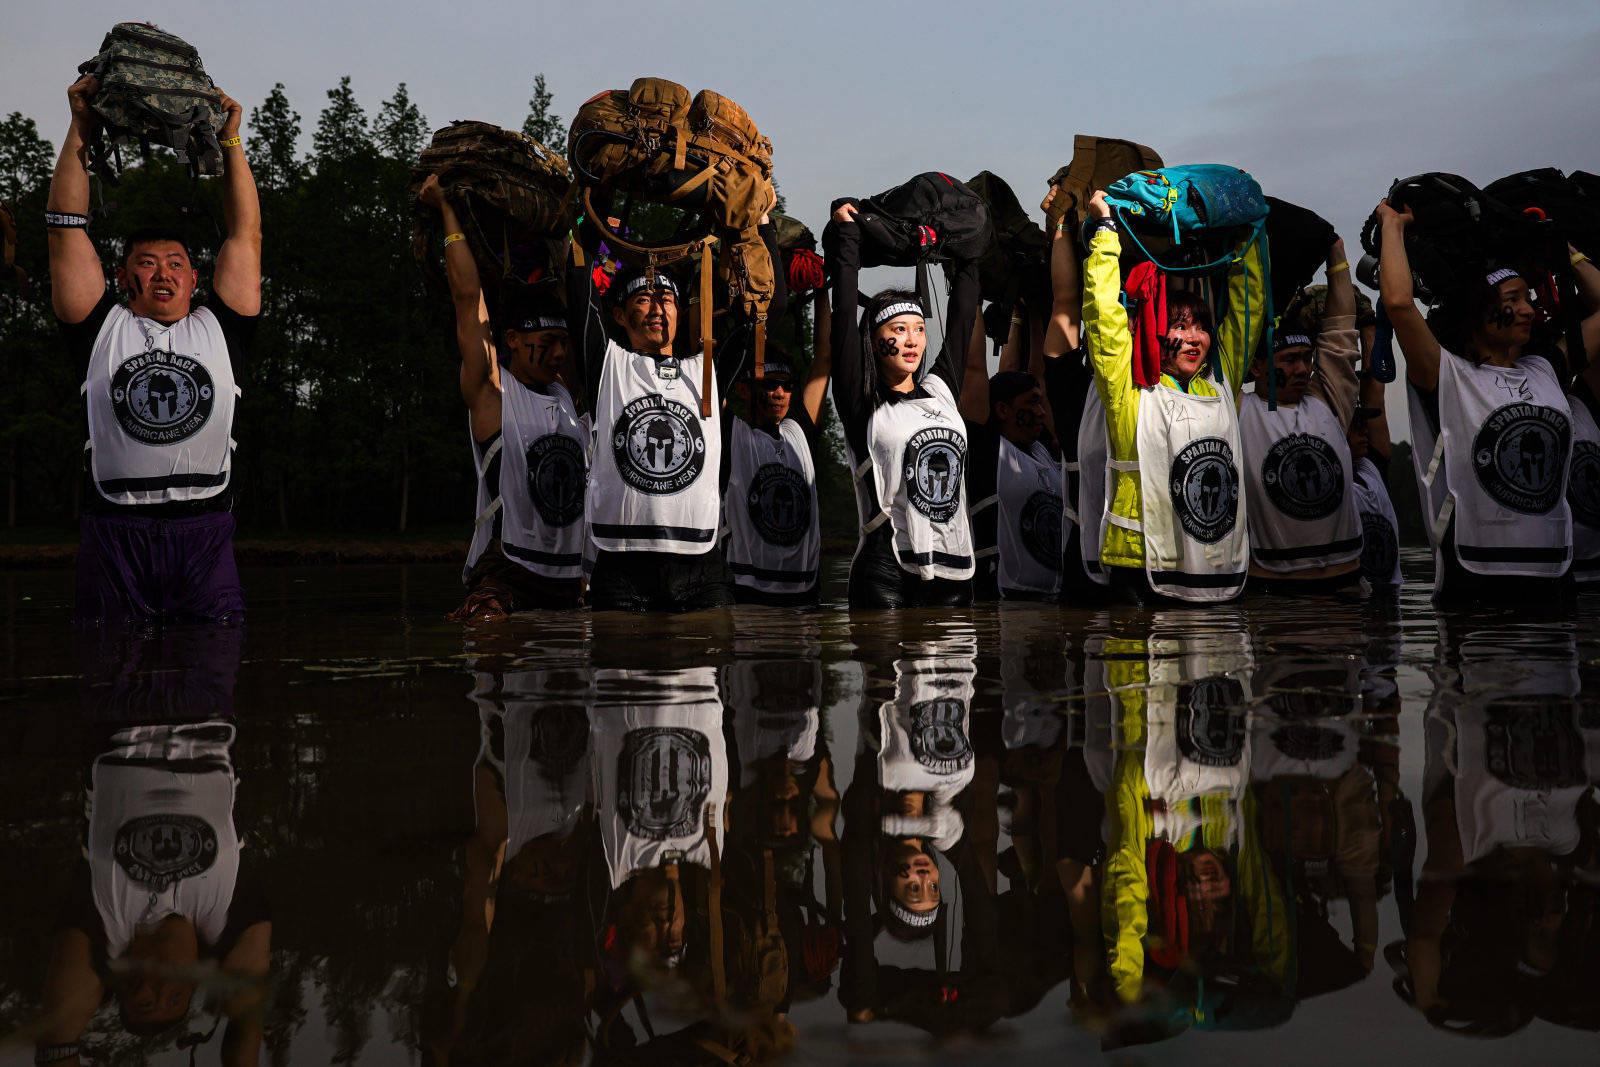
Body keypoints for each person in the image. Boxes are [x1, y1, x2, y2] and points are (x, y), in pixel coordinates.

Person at [49, 75, 260, 626]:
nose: (162, 272)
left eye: (175, 263)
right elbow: (66, 229)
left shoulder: (222, 329)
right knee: (110, 679)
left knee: (214, 683)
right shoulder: (102, 328)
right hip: (114, 535)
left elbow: (245, 235)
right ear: (123, 278)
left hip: (206, 537)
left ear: (195, 278)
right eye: (147, 262)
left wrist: (232, 140)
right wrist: (81, 124)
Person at [1378, 200, 1600, 602]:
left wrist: (1565, 252)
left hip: (1556, 587)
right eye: (1513, 300)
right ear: (1481, 312)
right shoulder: (1446, 374)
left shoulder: (1546, 369)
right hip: (1475, 593)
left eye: (1528, 298)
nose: (1528, 310)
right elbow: (1397, 304)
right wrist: (1392, 225)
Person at [565, 217, 784, 612]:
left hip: (701, 571)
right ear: (619, 315)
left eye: (666, 300)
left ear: (680, 313)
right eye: (643, 299)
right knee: (615, 673)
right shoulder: (609, 366)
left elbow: (768, 309)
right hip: (622, 568)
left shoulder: (707, 372)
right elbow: (580, 297)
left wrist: (759, 227)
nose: (657, 309)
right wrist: (590, 225)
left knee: (708, 665)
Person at [1081, 190, 1267, 605]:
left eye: (1201, 327)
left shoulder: (1220, 384)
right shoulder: (1130, 388)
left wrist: (1248, 237)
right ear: (1156, 331)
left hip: (1212, 566)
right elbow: (1103, 319)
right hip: (1140, 571)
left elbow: (1247, 310)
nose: (1194, 338)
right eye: (1180, 326)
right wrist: (1106, 233)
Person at [417, 176, 588, 620]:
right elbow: (467, 299)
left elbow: (582, 301)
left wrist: (573, 225)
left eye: (563, 343)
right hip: (508, 570)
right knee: (491, 636)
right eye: (547, 341)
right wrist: (448, 213)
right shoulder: (494, 392)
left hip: (570, 577)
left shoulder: (568, 396)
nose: (558, 353)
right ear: (511, 339)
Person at [827, 203, 983, 608]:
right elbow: (843, 315)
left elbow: (964, 314)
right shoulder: (861, 400)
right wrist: (846, 238)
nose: (912, 340)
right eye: (898, 330)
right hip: (885, 574)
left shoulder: (940, 390)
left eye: (918, 329)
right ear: (874, 342)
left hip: (954, 568)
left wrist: (966, 244)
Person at [1240, 238, 1364, 595]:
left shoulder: (1327, 400)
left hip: (1344, 584)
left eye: (1306, 358)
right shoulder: (1238, 410)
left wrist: (1336, 254)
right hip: (1271, 589)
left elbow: (1341, 331)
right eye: (1288, 359)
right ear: (1257, 366)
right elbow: (1228, 341)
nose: (1301, 369)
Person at [721, 296, 831, 606]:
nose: (779, 393)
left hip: (804, 597)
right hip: (747, 596)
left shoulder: (799, 434)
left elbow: (824, 358)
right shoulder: (733, 434)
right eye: (770, 384)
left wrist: (824, 288)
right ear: (744, 388)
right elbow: (711, 369)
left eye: (786, 385)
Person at [962, 324, 1065, 602]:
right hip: (1005, 600)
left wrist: (1024, 314)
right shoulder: (990, 452)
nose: (1041, 412)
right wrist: (973, 292)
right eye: (1032, 403)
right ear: (1003, 410)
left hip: (1053, 602)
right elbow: (974, 370)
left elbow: (1037, 374)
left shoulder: (1043, 449)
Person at [1349, 375, 1404, 590]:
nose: (1364, 430)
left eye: (1364, 423)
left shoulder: (1371, 469)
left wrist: (1374, 341)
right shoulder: (1333, 477)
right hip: (1351, 602)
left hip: (1389, 595)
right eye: (1355, 424)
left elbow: (1376, 397)